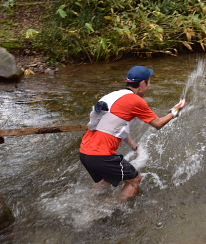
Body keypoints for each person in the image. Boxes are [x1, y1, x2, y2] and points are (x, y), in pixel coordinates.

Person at [80, 66, 186, 201]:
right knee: (135, 180)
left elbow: (116, 127)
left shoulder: (114, 96)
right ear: (142, 84)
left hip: (85, 152)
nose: (149, 86)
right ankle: (114, 212)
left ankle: (90, 203)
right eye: (149, 82)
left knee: (105, 178)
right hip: (101, 155)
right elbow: (158, 124)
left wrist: (135, 147)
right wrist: (175, 111)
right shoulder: (136, 100)